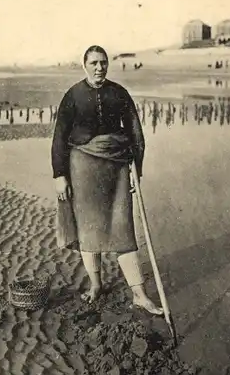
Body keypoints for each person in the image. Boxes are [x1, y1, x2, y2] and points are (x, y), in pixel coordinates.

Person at [51, 45, 163, 315]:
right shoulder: (73, 95)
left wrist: (138, 167)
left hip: (116, 170)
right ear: (84, 65)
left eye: (103, 62)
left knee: (122, 229)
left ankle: (139, 294)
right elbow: (59, 137)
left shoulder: (119, 93)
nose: (99, 67)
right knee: (89, 230)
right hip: (82, 169)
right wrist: (59, 175)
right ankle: (96, 285)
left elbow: (136, 132)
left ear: (108, 65)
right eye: (93, 63)